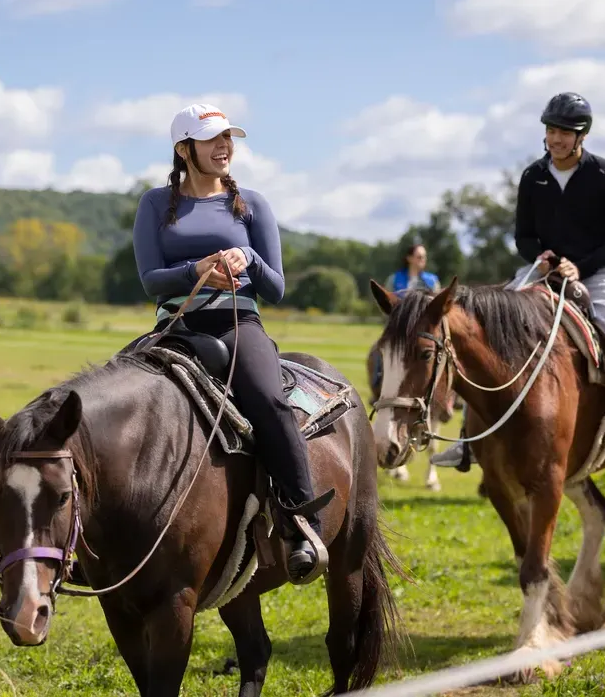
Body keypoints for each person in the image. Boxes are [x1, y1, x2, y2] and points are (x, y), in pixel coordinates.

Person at [131, 104, 327, 584]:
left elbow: (276, 287)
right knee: (120, 397)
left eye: (228, 139)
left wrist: (249, 259)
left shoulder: (252, 204)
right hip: (177, 328)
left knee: (269, 402)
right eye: (212, 139)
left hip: (239, 324)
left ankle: (303, 522)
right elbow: (150, 281)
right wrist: (194, 270)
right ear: (184, 149)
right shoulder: (155, 204)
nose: (225, 147)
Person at [435, 91, 605, 472]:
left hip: (600, 273)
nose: (557, 138)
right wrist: (539, 256)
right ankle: (466, 440)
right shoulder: (533, 176)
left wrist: (581, 265)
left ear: (583, 135)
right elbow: (523, 235)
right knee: (483, 329)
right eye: (551, 130)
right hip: (544, 271)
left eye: (566, 132)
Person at [369, 242, 442, 396]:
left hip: (422, 330)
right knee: (378, 351)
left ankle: (450, 396)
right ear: (409, 258)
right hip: (399, 328)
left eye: (424, 257)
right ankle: (377, 389)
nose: (422, 259)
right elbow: (387, 303)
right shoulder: (394, 279)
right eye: (419, 256)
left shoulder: (431, 281)